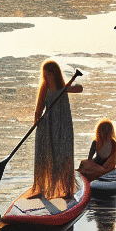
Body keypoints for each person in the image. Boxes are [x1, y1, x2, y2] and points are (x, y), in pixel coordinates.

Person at [31, 59, 83, 199]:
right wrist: (36, 119)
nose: (46, 77)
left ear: (55, 74)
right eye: (45, 74)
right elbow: (40, 106)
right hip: (47, 126)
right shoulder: (45, 87)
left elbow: (80, 88)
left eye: (49, 74)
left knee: (63, 155)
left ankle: (66, 190)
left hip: (63, 126)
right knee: (45, 156)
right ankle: (40, 189)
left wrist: (68, 89)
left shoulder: (63, 87)